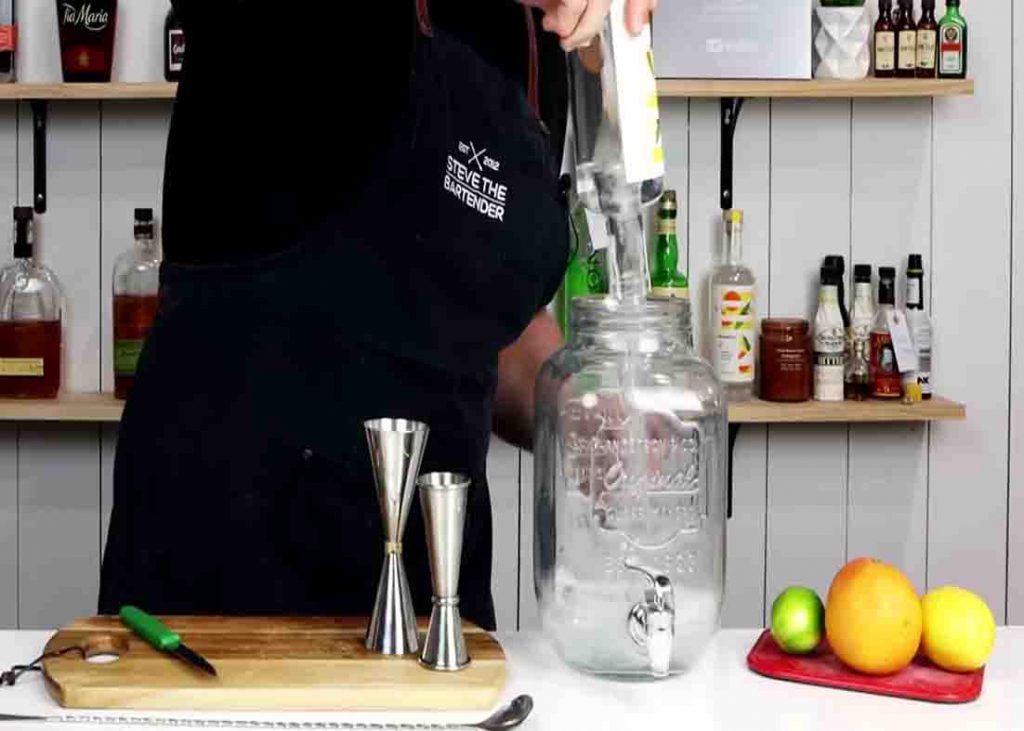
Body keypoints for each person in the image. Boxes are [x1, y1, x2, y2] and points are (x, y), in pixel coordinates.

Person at [99, 0, 656, 631]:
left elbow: (466, 314)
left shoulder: (537, 38)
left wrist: (578, 409)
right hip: (228, 578)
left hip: (429, 596)